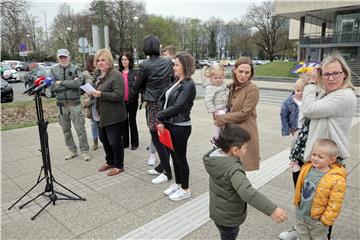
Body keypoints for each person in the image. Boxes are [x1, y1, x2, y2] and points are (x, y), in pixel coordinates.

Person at [279, 53, 357, 240]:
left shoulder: (345, 96)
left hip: (325, 161)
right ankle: (301, 229)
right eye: (326, 74)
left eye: (335, 73)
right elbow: (302, 112)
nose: (330, 78)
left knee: (321, 205)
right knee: (305, 200)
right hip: (308, 156)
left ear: (344, 74)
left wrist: (312, 85)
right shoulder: (325, 92)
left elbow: (309, 109)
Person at [203, 124, 287, 240]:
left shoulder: (215, 158)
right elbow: (247, 192)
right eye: (245, 147)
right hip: (229, 218)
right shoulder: (233, 169)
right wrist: (272, 210)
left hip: (218, 213)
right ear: (235, 150)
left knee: (225, 234)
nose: (246, 150)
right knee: (230, 235)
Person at [131, 34, 173, 184]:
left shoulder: (144, 65)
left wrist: (135, 94)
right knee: (165, 136)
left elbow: (136, 87)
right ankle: (163, 165)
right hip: (168, 103)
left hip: (154, 104)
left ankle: (166, 171)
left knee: (157, 137)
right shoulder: (168, 62)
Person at [156, 52, 196, 201]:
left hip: (180, 126)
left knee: (180, 158)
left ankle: (185, 189)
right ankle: (178, 184)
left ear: (185, 66)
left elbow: (179, 106)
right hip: (170, 124)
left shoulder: (189, 85)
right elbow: (166, 100)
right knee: (174, 156)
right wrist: (162, 120)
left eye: (176, 64)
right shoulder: (178, 81)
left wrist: (159, 115)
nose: (174, 67)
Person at [294, 138, 346, 240]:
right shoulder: (307, 168)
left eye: (320, 157)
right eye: (313, 154)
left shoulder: (336, 179)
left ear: (332, 159)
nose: (315, 158)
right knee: (301, 237)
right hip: (301, 214)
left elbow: (335, 203)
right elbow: (300, 187)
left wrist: (325, 221)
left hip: (317, 220)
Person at [214, 56, 260, 171]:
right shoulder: (230, 87)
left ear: (251, 73)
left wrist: (221, 119)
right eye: (240, 71)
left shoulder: (253, 89)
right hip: (229, 133)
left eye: (247, 72)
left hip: (243, 134)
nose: (243, 75)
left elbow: (244, 113)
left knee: (240, 169)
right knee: (229, 167)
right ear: (234, 70)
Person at [90, 49, 127, 176]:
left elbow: (119, 95)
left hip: (114, 115)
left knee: (114, 141)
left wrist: (101, 94)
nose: (100, 63)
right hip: (100, 114)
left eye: (103, 60)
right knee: (104, 139)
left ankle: (119, 165)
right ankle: (110, 161)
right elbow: (94, 88)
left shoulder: (116, 75)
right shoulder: (96, 74)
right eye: (98, 60)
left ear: (109, 61)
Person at [50, 48, 90, 161]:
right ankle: (72, 150)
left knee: (80, 129)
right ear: (57, 58)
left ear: (69, 57)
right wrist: (69, 83)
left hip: (74, 104)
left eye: (65, 57)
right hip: (61, 105)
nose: (63, 59)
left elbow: (78, 83)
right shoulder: (53, 70)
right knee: (66, 130)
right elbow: (52, 87)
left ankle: (84, 151)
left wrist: (61, 83)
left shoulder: (75, 68)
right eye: (60, 57)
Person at [280, 78, 306, 172]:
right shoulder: (289, 101)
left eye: (303, 91)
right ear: (294, 89)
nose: (300, 93)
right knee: (294, 141)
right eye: (298, 91)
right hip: (297, 127)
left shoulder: (308, 100)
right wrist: (287, 129)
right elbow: (284, 115)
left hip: (307, 127)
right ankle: (293, 160)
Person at [202, 64, 229, 145]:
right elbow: (208, 100)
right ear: (211, 78)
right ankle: (216, 138)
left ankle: (222, 136)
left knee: (222, 122)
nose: (218, 80)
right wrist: (213, 111)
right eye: (215, 78)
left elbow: (226, 90)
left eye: (220, 78)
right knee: (220, 122)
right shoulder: (210, 88)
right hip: (217, 109)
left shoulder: (223, 84)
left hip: (224, 106)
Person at [119, 52, 139, 150]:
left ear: (130, 61)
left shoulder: (135, 72)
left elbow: (138, 86)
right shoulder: (118, 72)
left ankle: (135, 143)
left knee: (132, 121)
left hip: (132, 101)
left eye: (126, 59)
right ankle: (125, 142)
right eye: (122, 59)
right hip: (121, 102)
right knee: (124, 122)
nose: (124, 61)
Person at [82, 55, 99, 151]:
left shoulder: (100, 72)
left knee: (101, 122)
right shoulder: (84, 74)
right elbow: (81, 87)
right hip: (91, 101)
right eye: (93, 61)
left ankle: (104, 139)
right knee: (93, 123)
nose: (95, 63)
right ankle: (95, 141)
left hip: (100, 100)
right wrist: (85, 93)